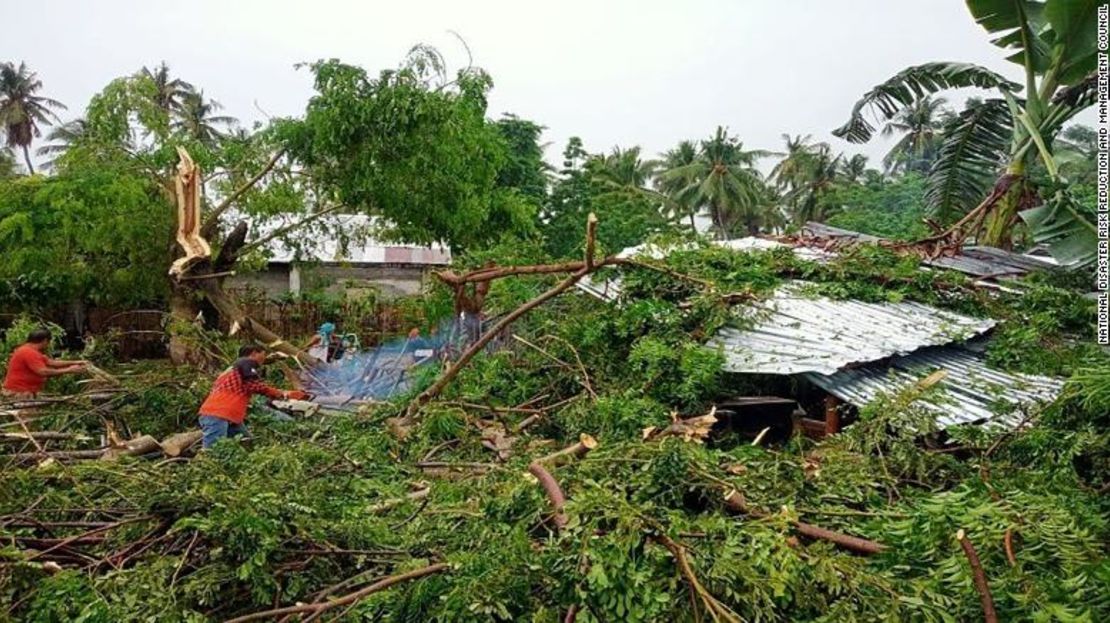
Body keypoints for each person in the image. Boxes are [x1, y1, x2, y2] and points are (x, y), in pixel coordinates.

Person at [197, 344, 307, 448]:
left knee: (246, 442)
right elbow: (255, 386)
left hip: (230, 416)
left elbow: (250, 386)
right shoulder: (246, 362)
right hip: (218, 414)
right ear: (254, 353)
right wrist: (282, 394)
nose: (263, 359)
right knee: (213, 450)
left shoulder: (230, 371)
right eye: (263, 355)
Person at [2, 328, 87, 399]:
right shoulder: (29, 352)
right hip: (20, 392)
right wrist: (69, 370)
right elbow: (43, 372)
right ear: (45, 341)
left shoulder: (30, 350)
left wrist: (76, 362)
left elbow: (51, 362)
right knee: (26, 417)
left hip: (24, 390)